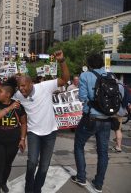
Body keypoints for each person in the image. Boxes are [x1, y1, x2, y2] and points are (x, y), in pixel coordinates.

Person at [13, 50, 70, 193]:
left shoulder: (45, 86)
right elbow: (4, 93)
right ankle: (28, 188)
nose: (21, 89)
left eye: (24, 86)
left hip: (50, 133)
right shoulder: (18, 94)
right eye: (19, 86)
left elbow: (64, 79)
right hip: (33, 133)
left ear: (31, 83)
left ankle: (37, 189)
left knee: (44, 166)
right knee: (32, 162)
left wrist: (62, 61)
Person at [71, 53, 113, 192]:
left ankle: (81, 177)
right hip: (107, 119)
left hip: (91, 117)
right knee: (103, 152)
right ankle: (99, 183)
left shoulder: (85, 76)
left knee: (78, 144)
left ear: (88, 64)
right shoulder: (110, 75)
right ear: (102, 63)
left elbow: (83, 97)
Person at [0, 77, 27, 193]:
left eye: (0, 91)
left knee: (7, 165)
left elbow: (24, 123)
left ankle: (3, 182)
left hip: (13, 142)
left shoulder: (19, 107)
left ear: (8, 94)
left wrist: (22, 139)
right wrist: (9, 108)